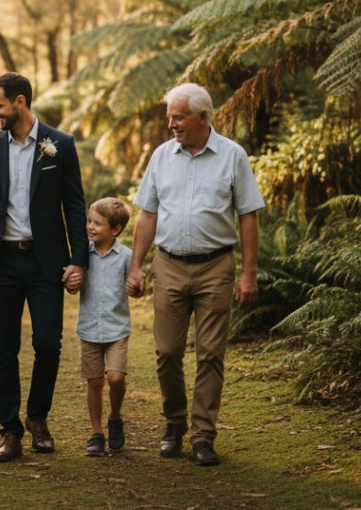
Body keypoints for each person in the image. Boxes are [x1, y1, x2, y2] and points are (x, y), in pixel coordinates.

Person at [125, 83, 264, 467]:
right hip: (168, 265)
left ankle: (203, 434)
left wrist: (248, 274)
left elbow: (248, 216)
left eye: (179, 117)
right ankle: (174, 423)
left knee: (211, 354)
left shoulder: (233, 156)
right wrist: (136, 266)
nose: (172, 124)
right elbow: (147, 214)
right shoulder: (161, 156)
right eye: (170, 117)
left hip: (216, 267)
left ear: (203, 117)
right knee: (167, 351)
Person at [0, 72, 88, 462]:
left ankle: (37, 418)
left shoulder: (60, 144)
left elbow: (74, 206)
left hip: (46, 261)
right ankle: (10, 431)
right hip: (2, 262)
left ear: (20, 102)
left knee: (48, 345)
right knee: (4, 350)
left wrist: (78, 260)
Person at [76, 197, 133, 458]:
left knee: (115, 378)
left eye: (97, 223)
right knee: (95, 381)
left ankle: (115, 417)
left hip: (116, 328)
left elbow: (134, 285)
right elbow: (72, 281)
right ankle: (97, 433)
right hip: (89, 327)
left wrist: (137, 287)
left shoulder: (126, 257)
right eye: (89, 221)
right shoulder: (81, 254)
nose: (90, 227)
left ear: (115, 229)